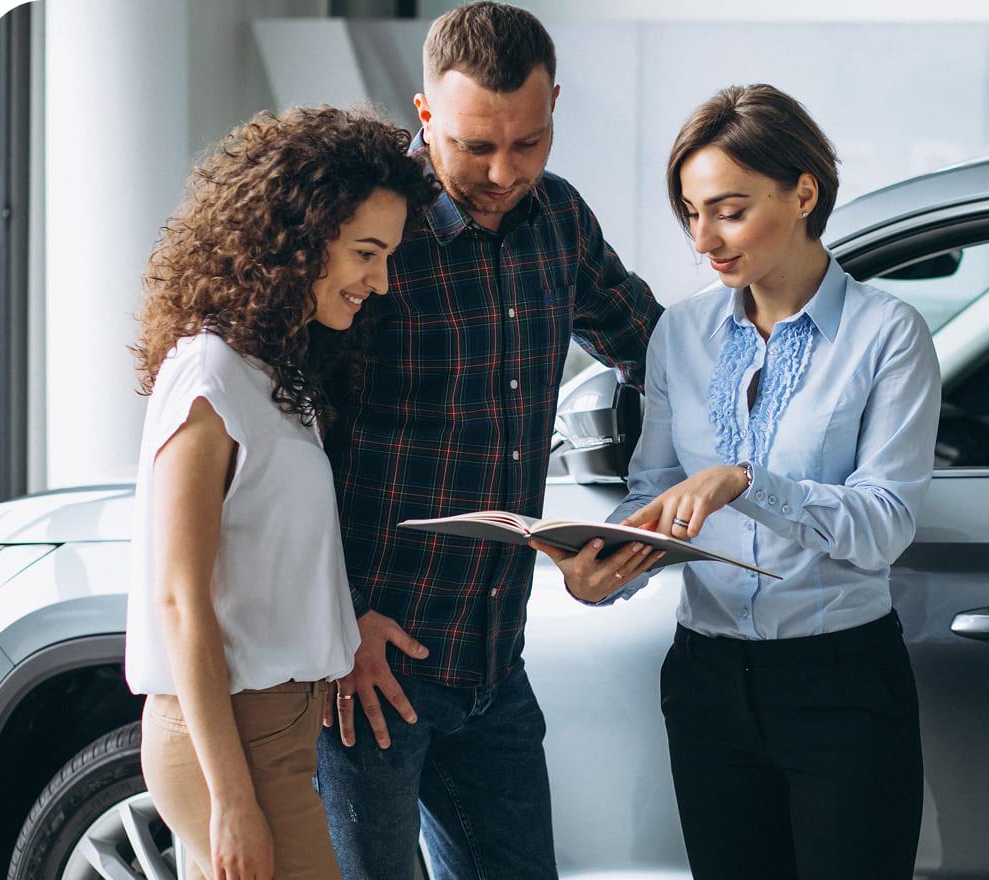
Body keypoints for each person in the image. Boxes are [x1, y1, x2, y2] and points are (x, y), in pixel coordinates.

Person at [533, 84, 941, 879]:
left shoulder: (887, 334)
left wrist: (743, 481)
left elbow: (884, 524)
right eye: (691, 213)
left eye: (728, 210)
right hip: (706, 682)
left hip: (841, 686)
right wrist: (600, 575)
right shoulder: (680, 334)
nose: (704, 240)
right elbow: (652, 489)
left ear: (803, 193)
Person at [315, 4, 663, 878]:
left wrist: (635, 524)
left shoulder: (561, 220)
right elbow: (285, 445)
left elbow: (660, 358)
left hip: (495, 662)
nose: (506, 172)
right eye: (476, 147)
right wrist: (332, 621)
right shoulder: (369, 234)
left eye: (530, 142)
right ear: (425, 115)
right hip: (370, 668)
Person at [125, 105, 438, 880]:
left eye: (389, 256)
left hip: (276, 733)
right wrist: (231, 798)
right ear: (299, 237)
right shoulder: (208, 373)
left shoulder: (274, 371)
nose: (381, 281)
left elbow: (263, 549)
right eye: (367, 253)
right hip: (229, 744)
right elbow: (180, 602)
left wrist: (337, 617)